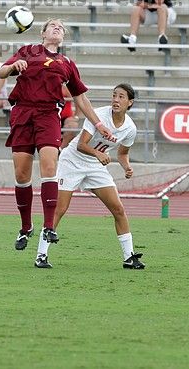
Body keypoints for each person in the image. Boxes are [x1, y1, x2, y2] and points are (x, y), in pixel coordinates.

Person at [0, 18, 115, 253]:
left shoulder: (67, 62)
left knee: (49, 166)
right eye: (53, 25)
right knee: (21, 174)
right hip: (23, 113)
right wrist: (13, 66)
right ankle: (25, 227)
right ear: (43, 33)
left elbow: (80, 97)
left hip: (49, 115)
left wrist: (98, 123)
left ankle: (49, 226)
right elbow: (1, 72)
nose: (58, 28)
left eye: (61, 27)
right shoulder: (26, 51)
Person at [34, 83, 144, 270]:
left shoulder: (130, 128)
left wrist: (127, 167)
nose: (116, 100)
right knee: (59, 209)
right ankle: (41, 255)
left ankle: (129, 257)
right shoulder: (98, 115)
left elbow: (122, 154)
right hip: (73, 162)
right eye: (114, 95)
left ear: (130, 102)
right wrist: (99, 154)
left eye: (121, 97)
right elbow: (81, 145)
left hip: (95, 167)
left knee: (118, 209)